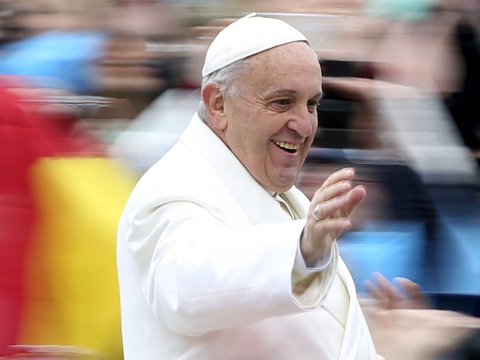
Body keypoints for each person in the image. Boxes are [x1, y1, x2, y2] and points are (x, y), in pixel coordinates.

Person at [116, 13, 380, 359]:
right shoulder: (171, 189)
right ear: (218, 104)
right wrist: (302, 246)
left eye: (312, 104)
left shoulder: (280, 192)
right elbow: (187, 286)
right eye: (282, 102)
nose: (304, 125)